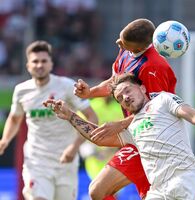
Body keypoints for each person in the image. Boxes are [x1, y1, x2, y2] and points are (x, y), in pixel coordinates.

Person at [44, 73, 195, 200]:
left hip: (186, 181)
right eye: (120, 98)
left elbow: (191, 113)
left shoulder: (163, 100)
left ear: (143, 88)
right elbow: (98, 137)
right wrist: (70, 115)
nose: (125, 97)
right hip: (159, 190)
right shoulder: (131, 126)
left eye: (128, 91)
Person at [73, 18, 177, 199]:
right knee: (98, 190)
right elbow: (115, 83)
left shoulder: (154, 68)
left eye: (123, 43)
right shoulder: (126, 51)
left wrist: (120, 124)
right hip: (135, 137)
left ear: (138, 48)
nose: (118, 43)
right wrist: (90, 92)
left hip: (155, 140)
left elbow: (156, 111)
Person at [0, 40, 98, 200]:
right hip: (37, 159)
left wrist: (74, 148)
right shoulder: (21, 91)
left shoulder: (66, 86)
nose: (40, 65)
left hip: (65, 159)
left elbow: (92, 117)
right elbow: (15, 117)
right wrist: (4, 140)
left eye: (44, 61)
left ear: (51, 64)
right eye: (35, 61)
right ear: (28, 66)